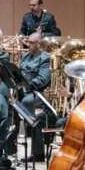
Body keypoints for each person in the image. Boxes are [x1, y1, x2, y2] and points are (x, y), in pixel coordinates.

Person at [19, 33, 52, 162]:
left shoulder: (45, 58)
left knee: (26, 102)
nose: (29, 45)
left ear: (39, 44)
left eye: (32, 43)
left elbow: (43, 79)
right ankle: (10, 149)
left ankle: (37, 153)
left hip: (40, 93)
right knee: (9, 101)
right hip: (24, 91)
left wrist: (25, 86)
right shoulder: (26, 56)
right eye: (28, 42)